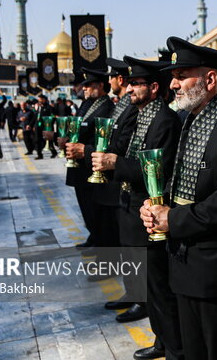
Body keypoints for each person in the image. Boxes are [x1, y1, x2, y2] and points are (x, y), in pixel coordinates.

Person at [140, 36, 217, 360]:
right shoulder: (190, 122)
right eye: (173, 77)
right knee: (193, 350)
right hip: (184, 260)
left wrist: (172, 219)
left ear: (209, 79)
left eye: (181, 76)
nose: (174, 84)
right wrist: (155, 206)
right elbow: (183, 184)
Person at [92, 56, 183, 359]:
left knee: (159, 287)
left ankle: (174, 346)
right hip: (131, 207)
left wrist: (116, 163)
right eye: (129, 83)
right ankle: (163, 340)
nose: (129, 89)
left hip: (148, 212)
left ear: (154, 88)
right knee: (149, 286)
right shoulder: (142, 116)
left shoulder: (164, 121)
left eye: (137, 83)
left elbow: (156, 171)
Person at [78, 58, 138, 282]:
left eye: (112, 77)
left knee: (118, 235)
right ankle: (109, 268)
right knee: (109, 230)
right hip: (107, 176)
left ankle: (122, 280)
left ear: (118, 80)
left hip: (115, 177)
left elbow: (119, 145)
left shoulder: (123, 108)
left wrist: (87, 151)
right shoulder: (119, 106)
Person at [65, 69, 114, 249]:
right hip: (80, 165)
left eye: (88, 85)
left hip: (90, 166)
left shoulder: (106, 107)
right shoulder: (87, 105)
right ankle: (93, 236)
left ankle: (99, 239)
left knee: (96, 210)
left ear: (100, 85)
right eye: (83, 85)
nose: (84, 88)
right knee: (86, 208)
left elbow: (102, 139)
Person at [34, 95, 57, 159]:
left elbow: (53, 117)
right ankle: (39, 155)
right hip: (38, 126)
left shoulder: (49, 108)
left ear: (44, 100)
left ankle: (54, 152)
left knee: (49, 141)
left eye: (41, 99)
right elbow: (36, 117)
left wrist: (49, 124)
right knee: (37, 140)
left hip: (47, 127)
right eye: (39, 99)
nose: (39, 101)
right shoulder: (39, 107)